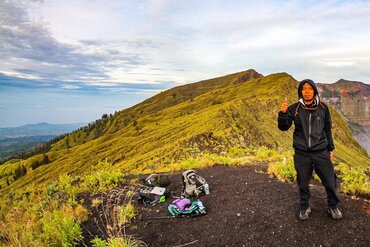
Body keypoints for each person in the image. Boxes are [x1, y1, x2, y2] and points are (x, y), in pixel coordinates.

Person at [278, 79, 342, 220]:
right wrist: (282, 114)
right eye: (304, 89)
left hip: (321, 152)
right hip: (302, 153)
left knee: (330, 180)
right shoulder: (294, 108)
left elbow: (327, 130)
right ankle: (304, 206)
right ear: (300, 91)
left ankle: (333, 206)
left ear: (314, 91)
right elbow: (283, 127)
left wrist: (330, 149)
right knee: (303, 182)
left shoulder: (323, 108)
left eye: (309, 89)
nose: (306, 92)